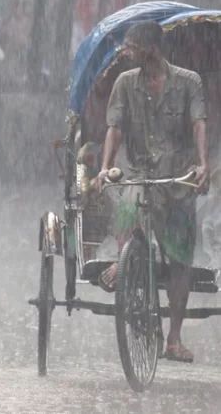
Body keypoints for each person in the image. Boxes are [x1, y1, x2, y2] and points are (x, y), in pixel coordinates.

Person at [95, 21, 209, 363]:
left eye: (131, 47)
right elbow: (114, 128)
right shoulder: (125, 83)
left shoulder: (189, 82)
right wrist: (105, 166)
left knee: (180, 261)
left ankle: (173, 339)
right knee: (129, 206)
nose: (126, 53)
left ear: (151, 49)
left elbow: (198, 123)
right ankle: (125, 258)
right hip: (140, 173)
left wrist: (202, 163)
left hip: (176, 179)